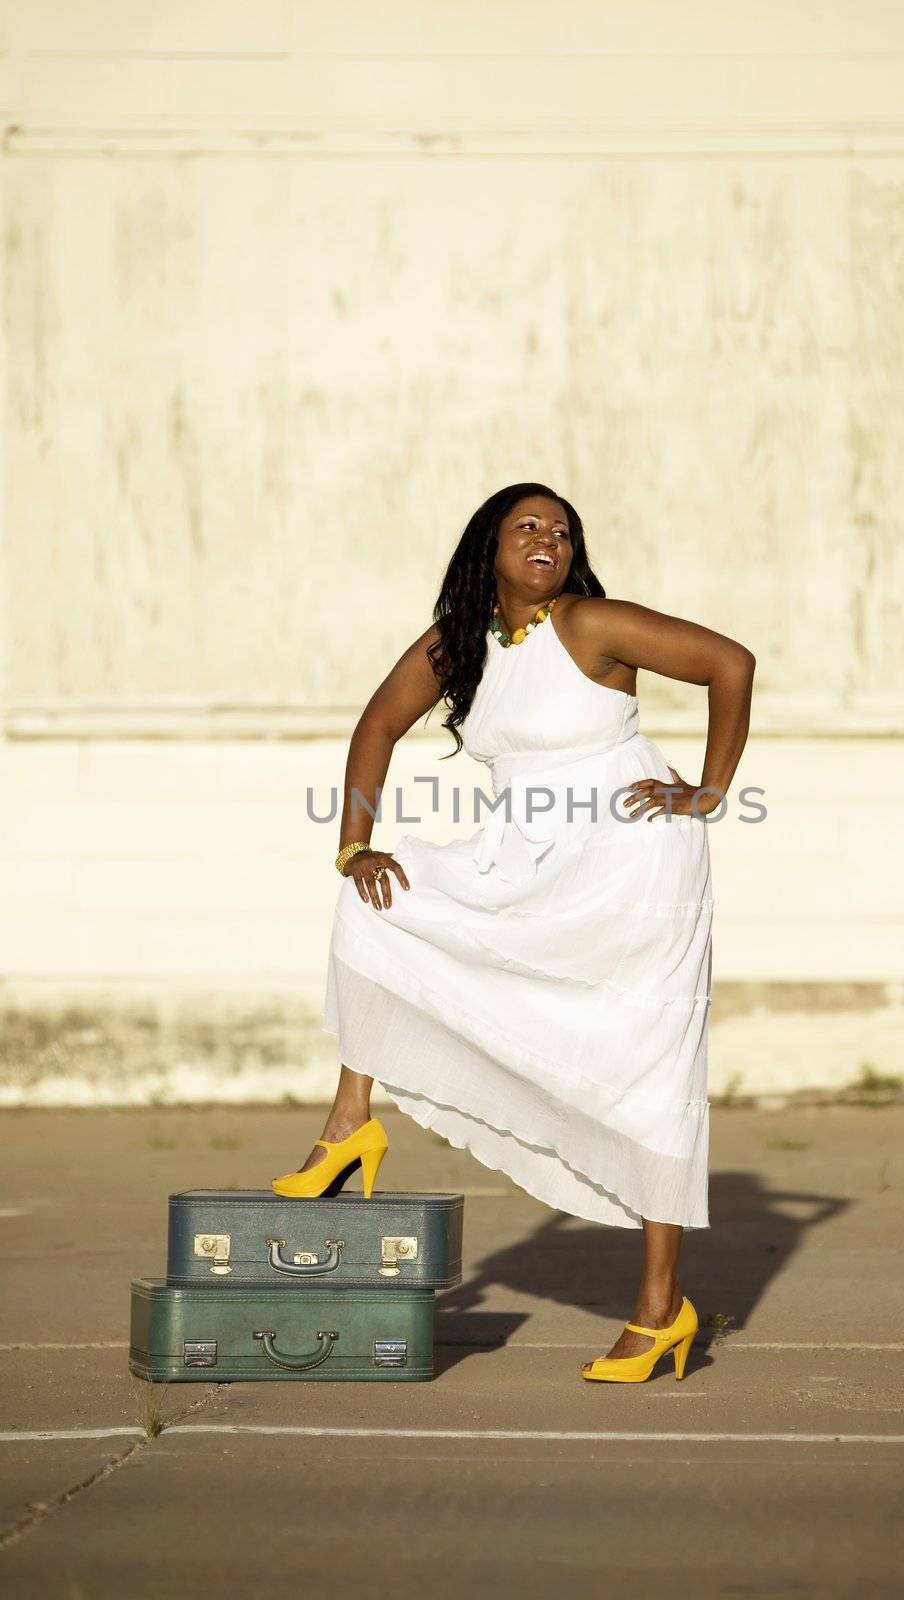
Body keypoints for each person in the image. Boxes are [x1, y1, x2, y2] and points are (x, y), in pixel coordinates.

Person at [272, 482, 756, 1382]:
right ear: (486, 547)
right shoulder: (461, 643)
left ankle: (660, 1311)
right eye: (527, 527)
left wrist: (708, 792)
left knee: (647, 1067)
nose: (549, 541)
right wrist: (353, 844)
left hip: (633, 865)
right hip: (523, 859)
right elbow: (378, 723)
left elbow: (731, 663)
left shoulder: (591, 624)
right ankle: (349, 1125)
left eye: (563, 532)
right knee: (380, 901)